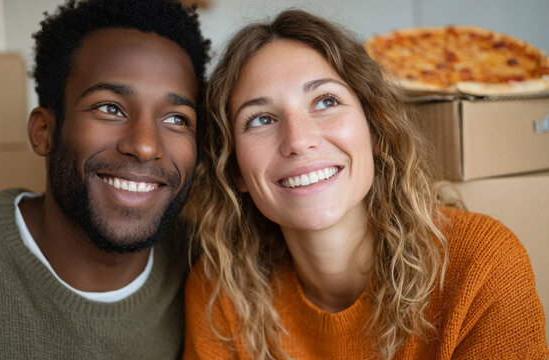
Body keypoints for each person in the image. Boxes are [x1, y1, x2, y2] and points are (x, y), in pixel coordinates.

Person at [183, 9, 548, 360]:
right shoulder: (222, 294)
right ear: (234, 169)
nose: (298, 140)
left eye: (326, 101)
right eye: (261, 119)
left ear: (375, 130)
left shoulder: (481, 267)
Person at [0, 0, 209, 358]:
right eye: (109, 108)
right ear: (44, 131)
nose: (144, 146)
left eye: (177, 119)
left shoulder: (207, 266)